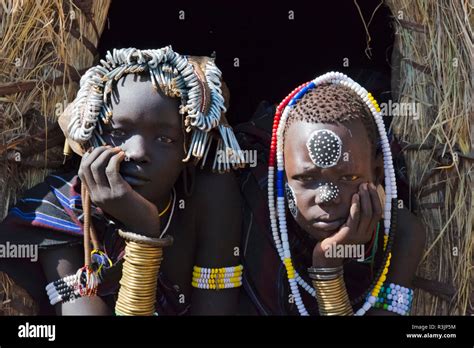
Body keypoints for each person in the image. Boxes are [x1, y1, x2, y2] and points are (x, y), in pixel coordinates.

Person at [0, 47, 243, 316]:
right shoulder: (60, 211)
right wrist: (144, 233)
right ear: (92, 137)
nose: (137, 152)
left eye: (165, 139)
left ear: (190, 152)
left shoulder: (209, 195)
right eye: (118, 132)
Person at [241, 72, 426, 315]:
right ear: (282, 175)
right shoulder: (256, 211)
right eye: (306, 178)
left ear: (377, 173)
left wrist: (327, 263)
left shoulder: (401, 234)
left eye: (348, 178)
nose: (327, 196)